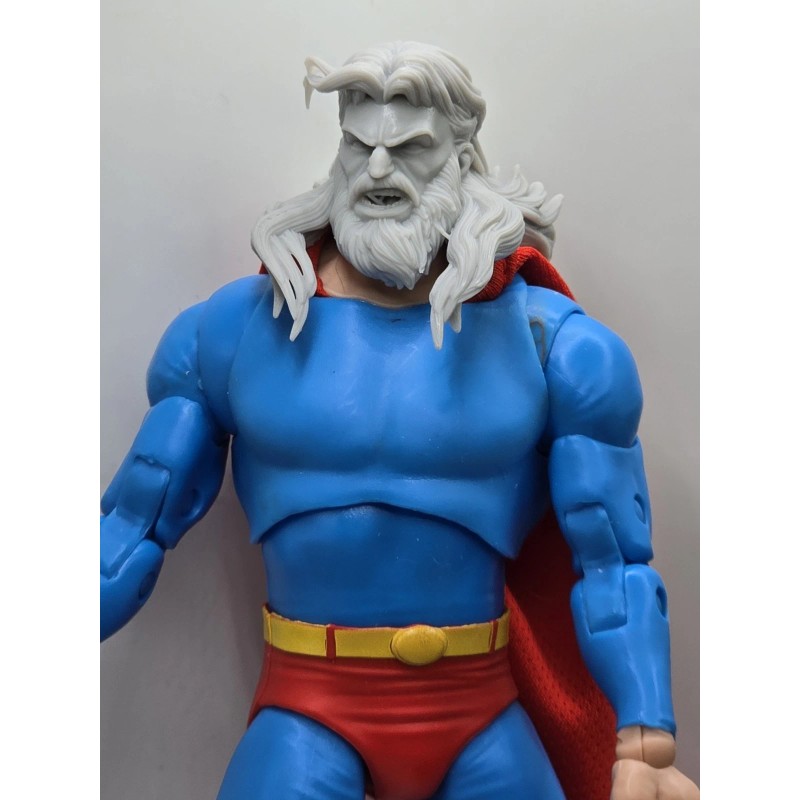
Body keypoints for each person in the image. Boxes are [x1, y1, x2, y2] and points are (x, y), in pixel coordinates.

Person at [100, 41, 699, 800]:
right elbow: (130, 525)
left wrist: (646, 741)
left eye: (410, 147)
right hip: (308, 707)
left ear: (462, 160)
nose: (379, 170)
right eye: (360, 146)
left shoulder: (556, 348)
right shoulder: (231, 333)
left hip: (479, 712)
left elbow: (614, 562)